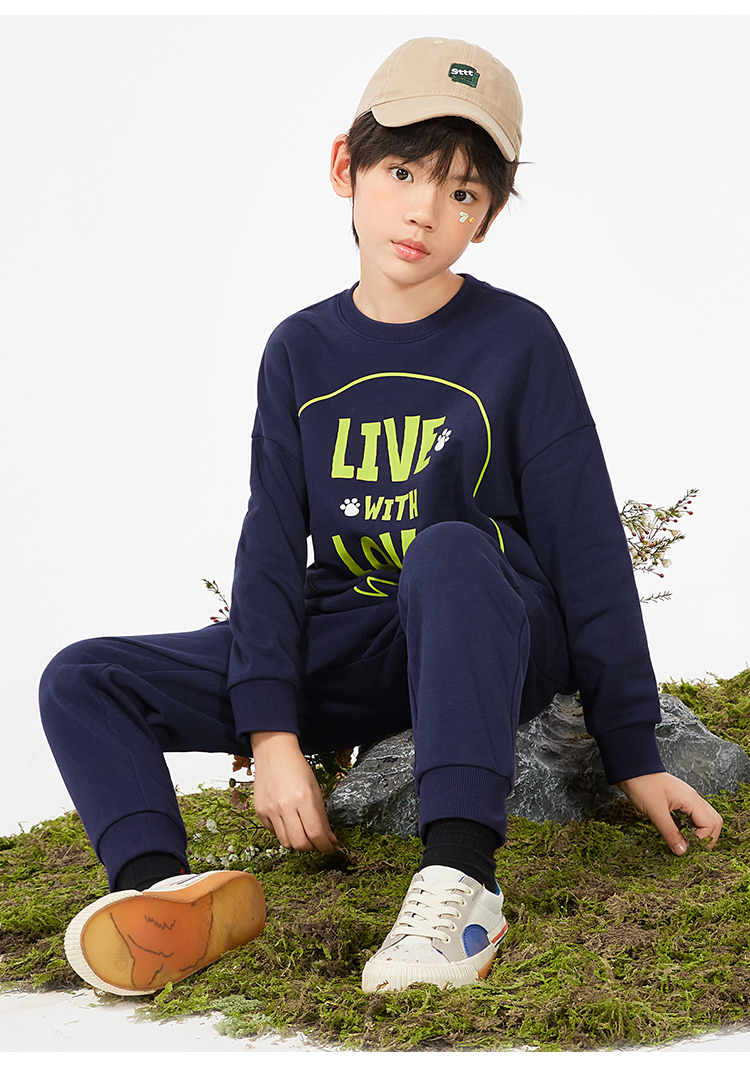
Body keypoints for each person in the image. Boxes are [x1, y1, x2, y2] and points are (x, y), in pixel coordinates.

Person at [40, 36, 723, 998]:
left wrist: (632, 748)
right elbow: (270, 544)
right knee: (84, 677)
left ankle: (462, 880)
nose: (424, 211)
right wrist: (272, 733)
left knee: (445, 550)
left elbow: (589, 547)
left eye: (461, 192)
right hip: (363, 635)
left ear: (486, 218)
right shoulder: (299, 350)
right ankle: (166, 896)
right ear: (345, 167)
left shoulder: (518, 340)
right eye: (403, 171)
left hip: (493, 629)